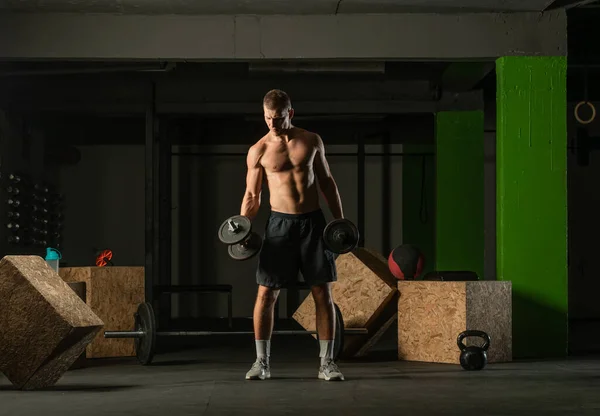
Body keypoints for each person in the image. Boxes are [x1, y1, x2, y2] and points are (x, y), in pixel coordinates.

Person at [240, 89, 345, 381]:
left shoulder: (311, 140)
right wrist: (243, 229)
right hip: (279, 226)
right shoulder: (258, 150)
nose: (272, 123)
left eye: (278, 117)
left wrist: (340, 221)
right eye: (268, 118)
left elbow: (327, 182)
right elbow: (252, 195)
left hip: (312, 223)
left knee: (322, 293)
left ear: (291, 114)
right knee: (266, 293)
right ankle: (262, 363)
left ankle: (327, 363)